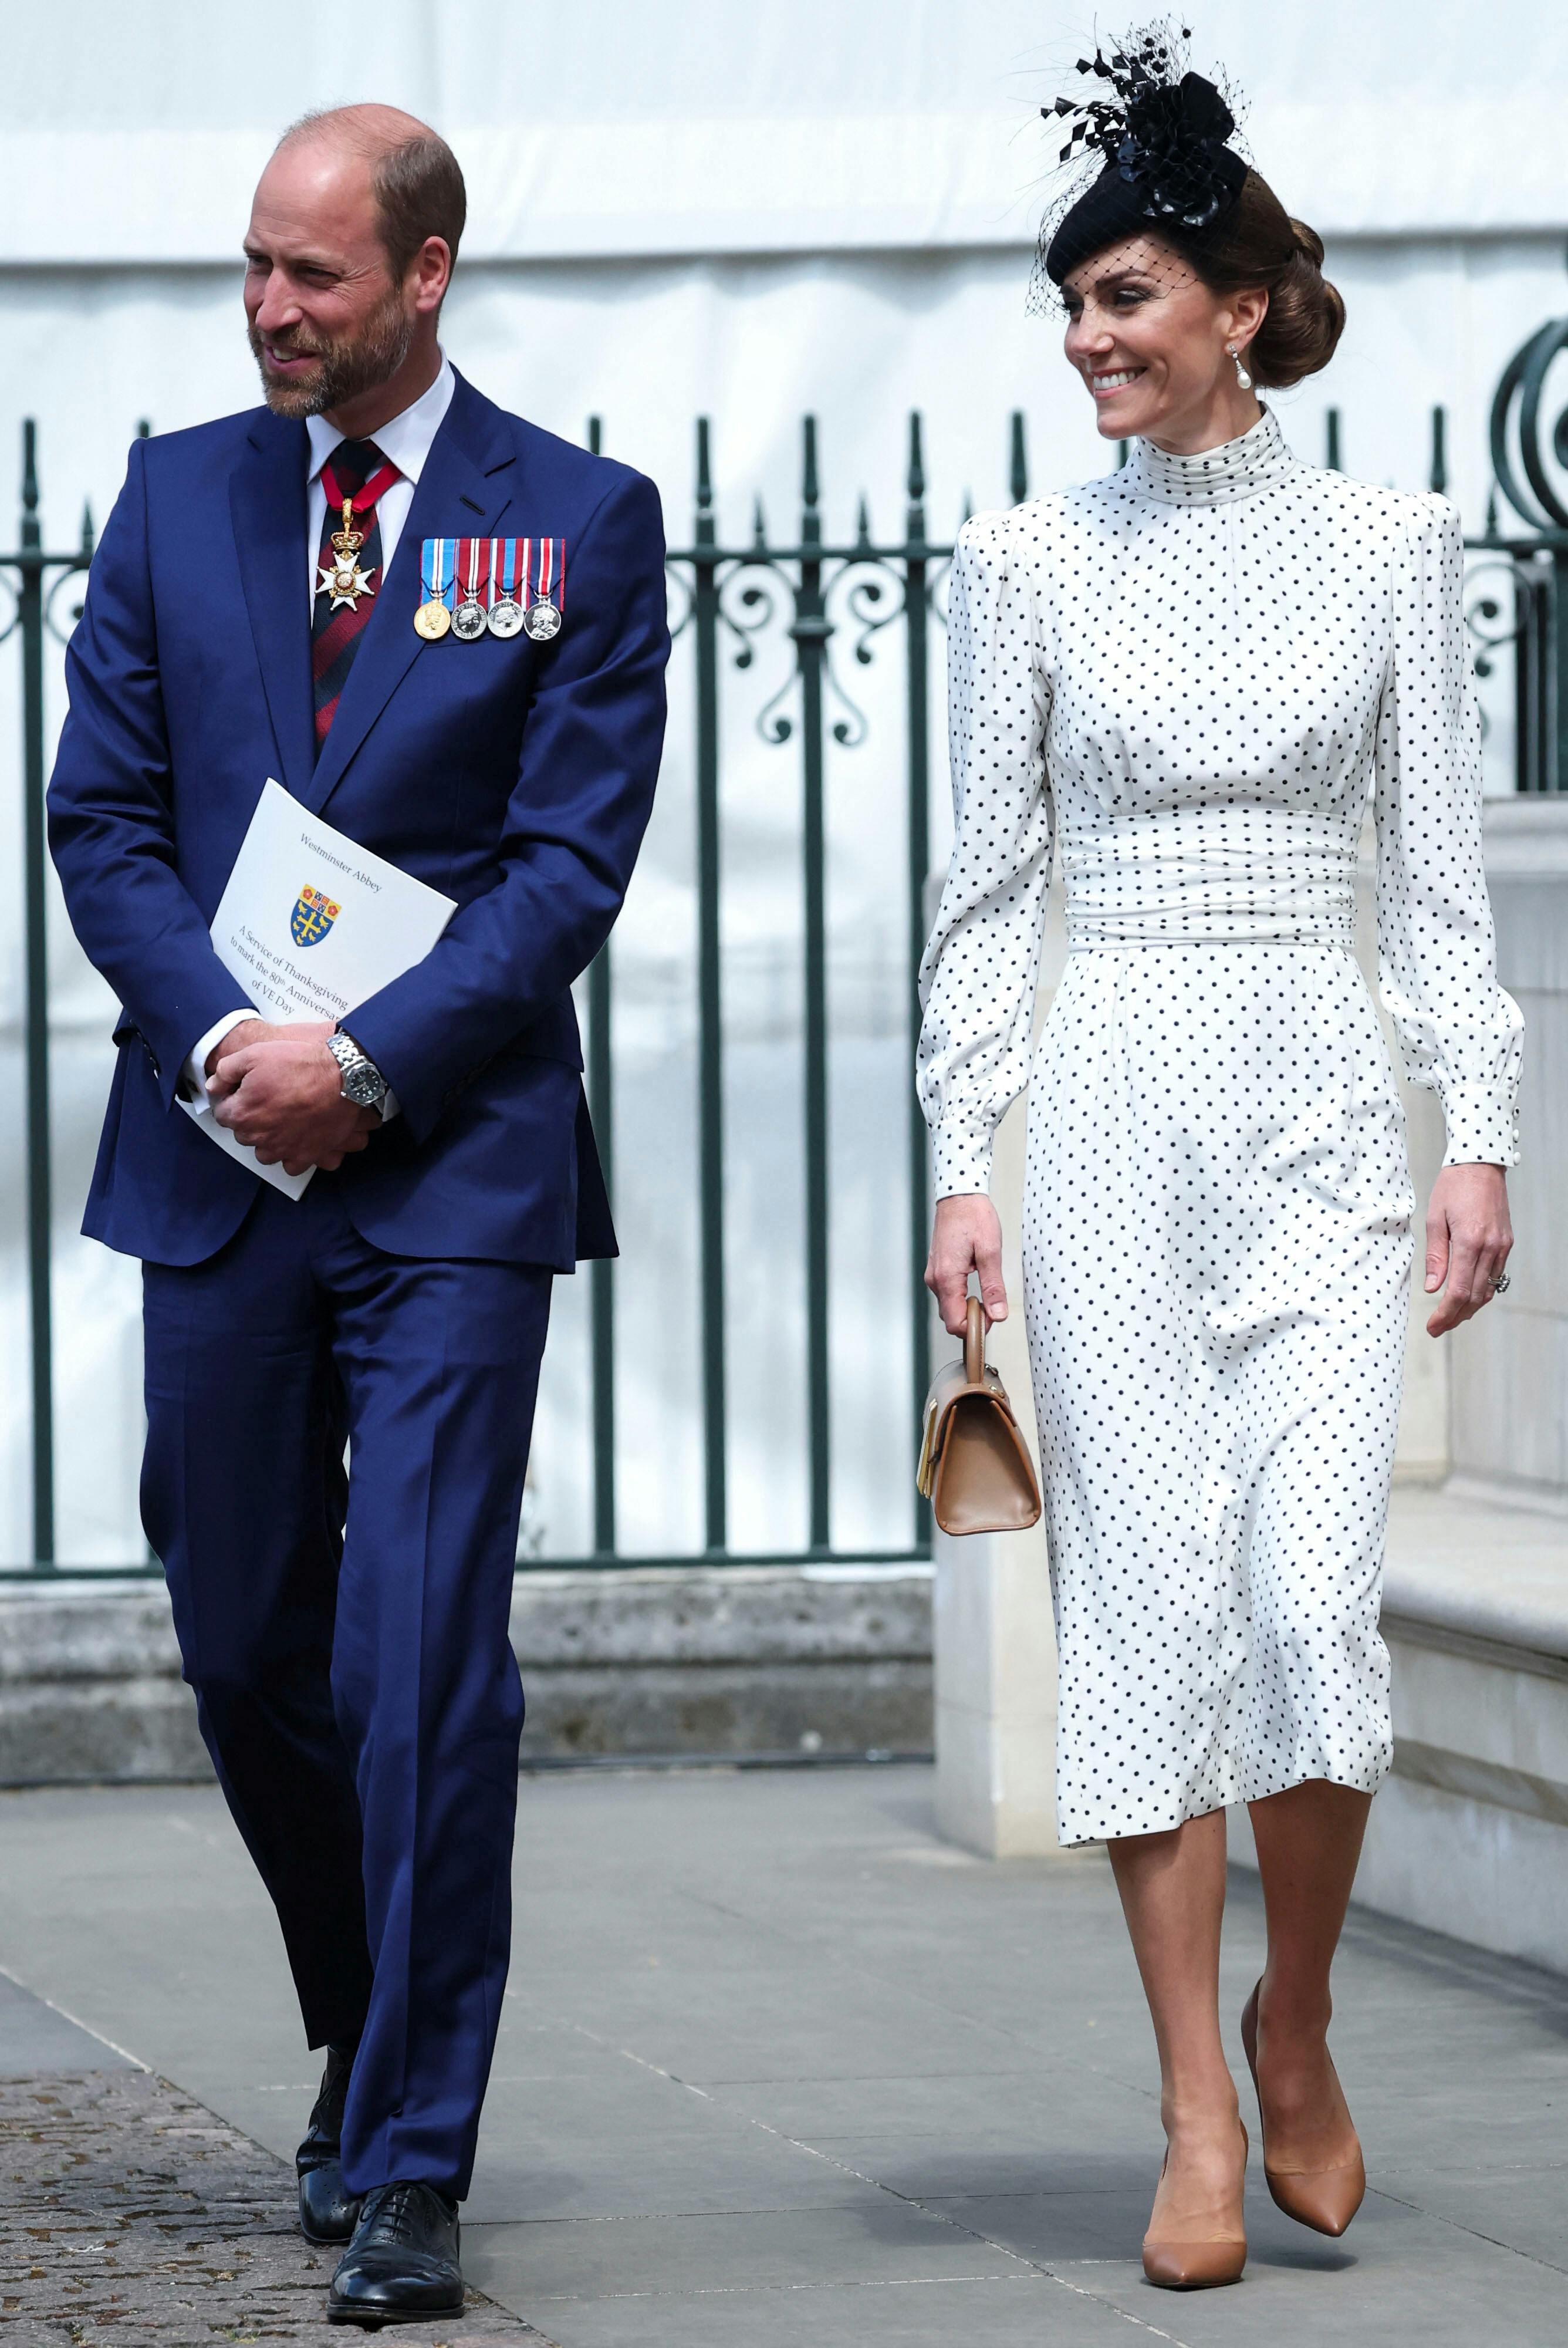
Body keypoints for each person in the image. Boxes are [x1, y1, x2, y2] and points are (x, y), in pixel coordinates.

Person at [48, 104, 668, 2326]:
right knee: (241, 1647)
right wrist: (242, 1041)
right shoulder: (172, 495)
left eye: (314, 275)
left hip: (451, 1182)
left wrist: (373, 1061)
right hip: (221, 1154)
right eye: (253, 268)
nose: (270, 310)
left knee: (421, 1667)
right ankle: (360, 2011)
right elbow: (100, 816)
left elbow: (564, 871)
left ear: (426, 274)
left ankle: (412, 2151)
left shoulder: (580, 523)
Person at [918, 28, 1520, 2295]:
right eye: (1070, 308)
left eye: (1126, 300)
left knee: (1312, 1608)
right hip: (1107, 1123)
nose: (1087, 341)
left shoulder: (1396, 543)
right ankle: (1189, 2104)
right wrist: (966, 1155)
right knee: (1151, 1612)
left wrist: (1480, 1132)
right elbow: (987, 890)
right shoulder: (1019, 559)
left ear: (1240, 309)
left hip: (1323, 1115)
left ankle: (1296, 2019)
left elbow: (1443, 889)